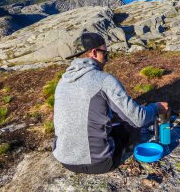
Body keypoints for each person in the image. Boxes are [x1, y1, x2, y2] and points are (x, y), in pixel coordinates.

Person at [52, 32, 168, 174]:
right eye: (105, 54)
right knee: (129, 126)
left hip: (65, 160)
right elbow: (138, 119)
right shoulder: (104, 80)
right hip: (100, 163)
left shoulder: (62, 81)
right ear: (94, 53)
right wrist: (155, 108)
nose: (107, 60)